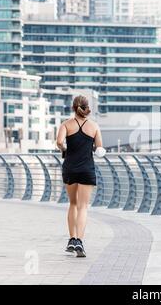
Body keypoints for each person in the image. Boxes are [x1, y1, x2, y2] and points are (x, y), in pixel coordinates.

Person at [56, 95, 105, 257]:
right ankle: (79, 242)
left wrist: (65, 150)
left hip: (70, 168)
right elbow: (99, 150)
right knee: (83, 206)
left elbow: (59, 142)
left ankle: (71, 239)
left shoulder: (66, 124)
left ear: (73, 108)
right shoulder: (94, 126)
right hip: (86, 169)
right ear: (86, 107)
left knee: (73, 204)